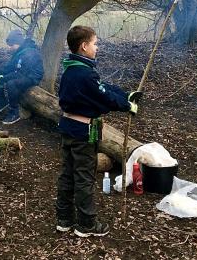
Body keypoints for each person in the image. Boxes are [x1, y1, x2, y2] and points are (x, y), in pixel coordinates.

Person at [55, 25, 141, 237]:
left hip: (68, 129)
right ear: (84, 46)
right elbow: (103, 96)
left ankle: (64, 219)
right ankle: (86, 224)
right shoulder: (84, 74)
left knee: (68, 175)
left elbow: (102, 87)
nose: (97, 47)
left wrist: (125, 95)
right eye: (95, 43)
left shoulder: (72, 69)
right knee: (84, 177)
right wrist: (126, 106)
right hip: (82, 132)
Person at [0, 29, 44, 125]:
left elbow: (20, 73)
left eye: (11, 45)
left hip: (32, 76)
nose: (10, 48)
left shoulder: (29, 53)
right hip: (22, 72)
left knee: (11, 84)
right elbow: (12, 66)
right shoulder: (20, 50)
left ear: (18, 42)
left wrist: (3, 79)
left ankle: (14, 112)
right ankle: (2, 101)